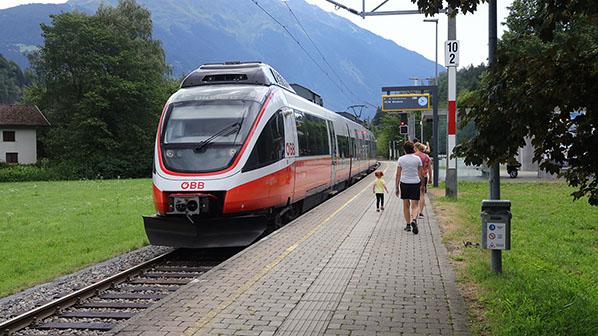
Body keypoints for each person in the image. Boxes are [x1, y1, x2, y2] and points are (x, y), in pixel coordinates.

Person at [395, 141, 425, 234]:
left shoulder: (401, 159)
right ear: (413, 149)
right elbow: (422, 174)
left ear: (404, 150)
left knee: (406, 205)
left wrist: (396, 187)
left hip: (404, 183)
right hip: (415, 183)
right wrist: (422, 185)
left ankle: (408, 225)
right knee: (415, 205)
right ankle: (414, 220)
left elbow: (398, 175)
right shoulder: (417, 159)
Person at [414, 142, 432, 219]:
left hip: (414, 178)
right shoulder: (426, 157)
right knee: (422, 195)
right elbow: (429, 169)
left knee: (414, 195)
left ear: (416, 148)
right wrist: (430, 178)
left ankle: (414, 211)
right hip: (423, 177)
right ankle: (421, 212)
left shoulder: (413, 156)